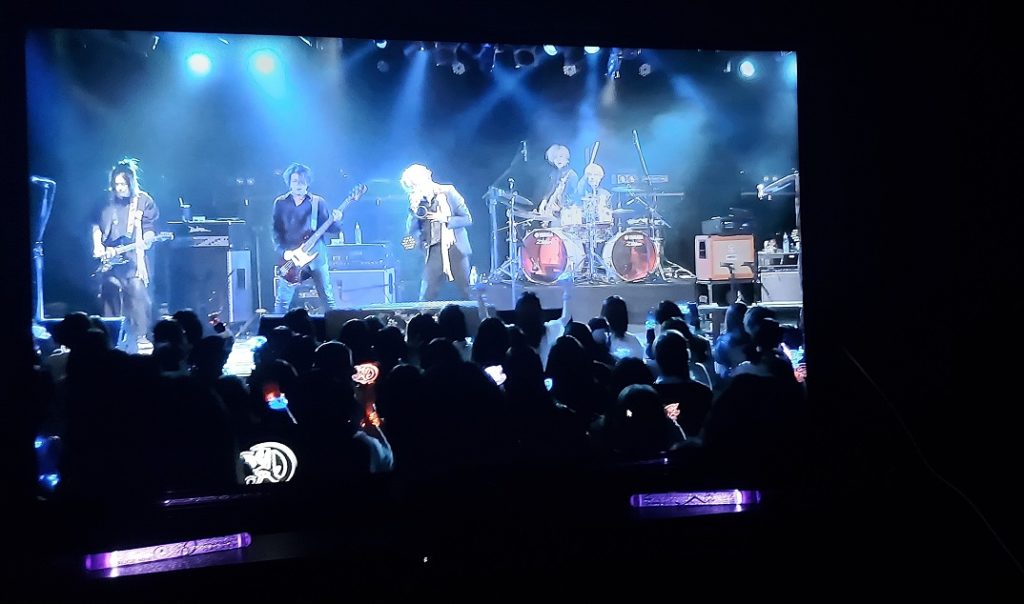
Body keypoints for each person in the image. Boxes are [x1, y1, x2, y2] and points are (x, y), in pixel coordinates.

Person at [91, 158, 159, 353]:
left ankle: (141, 335)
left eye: (123, 184)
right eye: (116, 184)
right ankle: (110, 334)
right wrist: (98, 246)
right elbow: (94, 224)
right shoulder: (104, 201)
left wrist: (148, 239)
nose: (119, 188)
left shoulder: (143, 201)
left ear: (131, 183)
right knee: (110, 287)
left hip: (133, 256)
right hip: (110, 256)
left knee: (136, 289)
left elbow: (149, 227)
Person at [271, 163, 343, 313]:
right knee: (282, 302)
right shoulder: (280, 203)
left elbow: (332, 229)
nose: (298, 185)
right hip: (292, 258)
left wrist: (337, 219)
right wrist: (284, 252)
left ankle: (335, 331)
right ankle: (277, 333)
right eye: (295, 181)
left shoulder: (318, 202)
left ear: (308, 183)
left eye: (302, 181)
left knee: (327, 298)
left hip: (317, 257)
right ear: (289, 183)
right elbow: (275, 232)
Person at [401, 164, 473, 301]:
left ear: (427, 178)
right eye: (412, 188)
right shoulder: (418, 201)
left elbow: (467, 219)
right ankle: (423, 321)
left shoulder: (448, 192)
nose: (415, 189)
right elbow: (410, 236)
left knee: (467, 291)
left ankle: (478, 320)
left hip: (456, 249)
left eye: (416, 185)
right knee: (426, 295)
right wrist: (413, 213)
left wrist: (445, 219)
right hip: (433, 251)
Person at [535, 144, 577, 227]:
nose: (558, 160)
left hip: (566, 217)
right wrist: (544, 202)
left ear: (567, 159)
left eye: (561, 156)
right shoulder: (555, 174)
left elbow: (575, 197)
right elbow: (550, 190)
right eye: (555, 157)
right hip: (553, 215)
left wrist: (561, 208)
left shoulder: (572, 175)